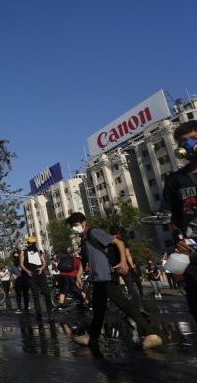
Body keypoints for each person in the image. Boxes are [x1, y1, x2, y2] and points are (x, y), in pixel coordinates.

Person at [65, 212, 163, 349]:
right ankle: (92, 338)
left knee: (125, 305)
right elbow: (84, 259)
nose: (74, 228)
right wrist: (78, 275)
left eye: (75, 225)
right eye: (72, 226)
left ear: (83, 223)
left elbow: (119, 242)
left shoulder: (94, 232)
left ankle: (152, 335)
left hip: (107, 276)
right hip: (98, 278)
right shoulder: (84, 239)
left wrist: (123, 261)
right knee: (98, 309)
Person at [162, 119, 197, 322]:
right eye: (184, 142)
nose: (190, 145)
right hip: (191, 253)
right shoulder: (175, 180)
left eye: (194, 139)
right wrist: (178, 238)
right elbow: (170, 215)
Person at [19, 237, 54, 321]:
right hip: (31, 274)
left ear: (35, 243)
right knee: (35, 294)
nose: (31, 245)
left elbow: (44, 263)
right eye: (29, 243)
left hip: (40, 274)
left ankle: (50, 313)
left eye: (32, 243)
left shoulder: (39, 251)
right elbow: (21, 264)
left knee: (46, 293)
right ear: (27, 243)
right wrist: (27, 271)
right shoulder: (23, 252)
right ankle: (38, 313)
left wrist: (41, 268)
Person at [11, 249, 29, 314]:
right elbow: (11, 271)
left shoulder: (24, 262)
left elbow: (28, 270)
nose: (16, 256)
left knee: (25, 294)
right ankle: (19, 308)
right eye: (14, 255)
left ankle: (26, 308)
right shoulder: (13, 263)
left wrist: (23, 269)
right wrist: (13, 275)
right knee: (18, 295)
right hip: (17, 281)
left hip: (24, 280)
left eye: (17, 255)